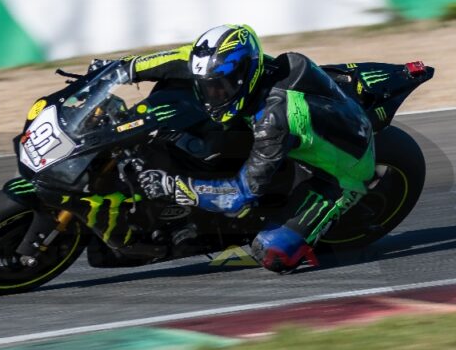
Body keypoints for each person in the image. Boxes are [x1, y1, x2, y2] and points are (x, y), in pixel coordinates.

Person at [113, 24, 375, 272]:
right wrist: (114, 70)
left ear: (243, 76)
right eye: (208, 86)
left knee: (272, 254)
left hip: (339, 173)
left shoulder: (274, 120)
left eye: (220, 87)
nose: (212, 95)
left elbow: (240, 194)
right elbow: (177, 59)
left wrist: (173, 186)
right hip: (310, 125)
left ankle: (323, 215)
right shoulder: (245, 67)